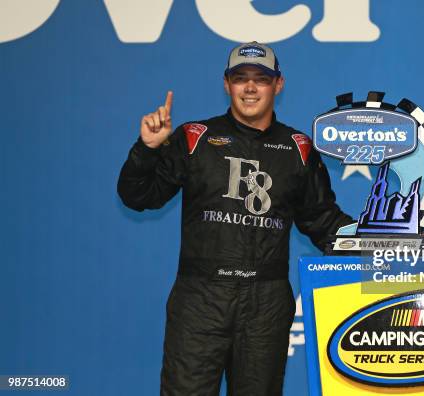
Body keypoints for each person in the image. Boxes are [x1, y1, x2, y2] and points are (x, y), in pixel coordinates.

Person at [117, 42, 353, 396]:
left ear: (279, 84)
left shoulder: (299, 148)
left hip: (266, 304)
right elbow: (138, 196)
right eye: (240, 78)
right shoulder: (195, 137)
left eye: (261, 78)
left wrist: (386, 240)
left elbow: (324, 222)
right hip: (200, 299)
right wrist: (146, 150)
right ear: (226, 84)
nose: (250, 87)